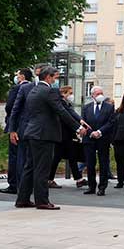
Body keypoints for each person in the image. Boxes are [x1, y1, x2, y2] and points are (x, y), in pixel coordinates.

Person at [16, 66, 86, 210]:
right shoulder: (49, 91)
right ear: (48, 77)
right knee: (42, 169)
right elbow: (61, 111)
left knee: (29, 167)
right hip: (44, 135)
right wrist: (78, 127)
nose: (56, 81)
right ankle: (42, 200)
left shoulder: (33, 91)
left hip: (32, 133)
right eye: (55, 77)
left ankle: (22, 199)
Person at [81, 86, 117, 196]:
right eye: (97, 94)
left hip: (103, 139)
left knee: (103, 163)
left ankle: (102, 187)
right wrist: (91, 132)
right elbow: (84, 122)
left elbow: (111, 122)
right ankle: (91, 186)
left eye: (101, 93)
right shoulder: (86, 107)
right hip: (89, 138)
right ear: (92, 95)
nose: (100, 95)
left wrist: (99, 132)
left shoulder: (109, 107)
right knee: (90, 164)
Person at [1, 69, 31, 195]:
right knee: (24, 156)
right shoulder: (32, 88)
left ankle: (13, 184)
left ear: (22, 77)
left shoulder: (17, 88)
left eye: (17, 75)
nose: (16, 77)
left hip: (15, 126)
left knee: (14, 156)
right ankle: (23, 184)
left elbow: (10, 107)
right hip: (27, 127)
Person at [50, 85, 84, 188]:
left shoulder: (65, 103)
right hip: (62, 135)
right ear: (63, 94)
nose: (72, 95)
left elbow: (72, 113)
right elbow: (69, 115)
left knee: (71, 156)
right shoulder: (61, 103)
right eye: (70, 93)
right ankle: (49, 179)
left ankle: (79, 179)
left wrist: (80, 121)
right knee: (57, 157)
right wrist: (79, 125)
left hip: (66, 135)